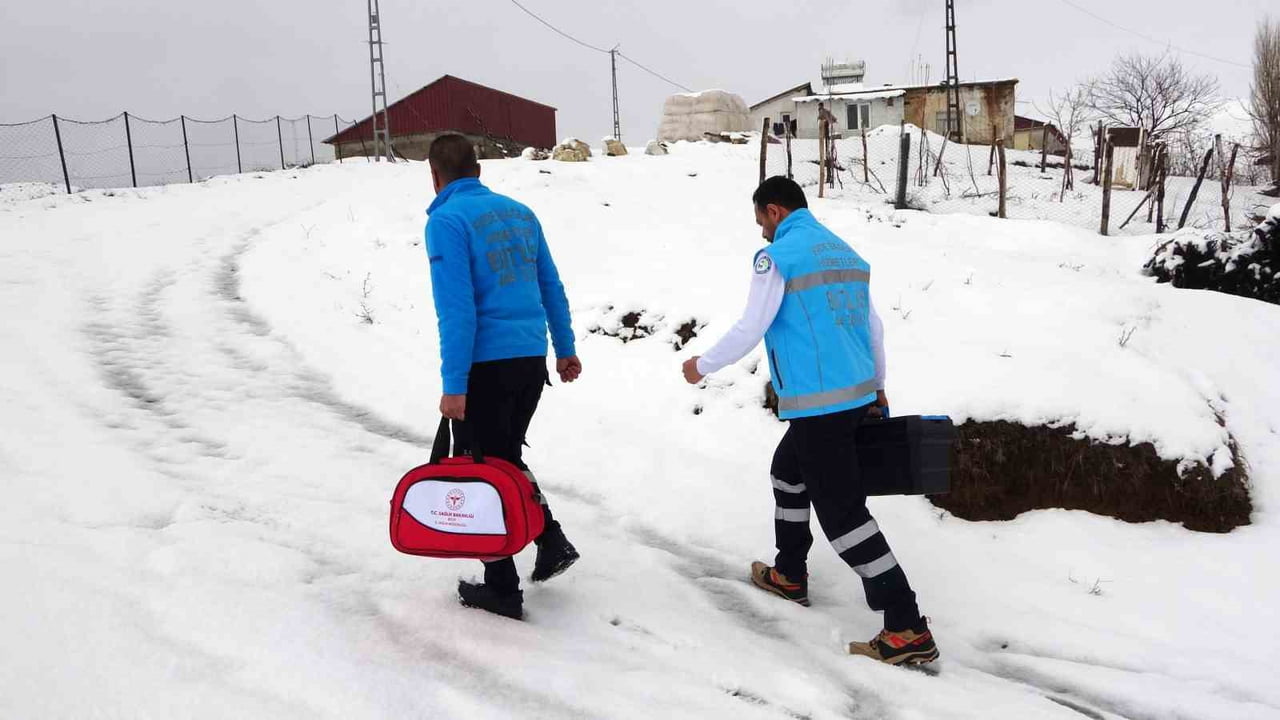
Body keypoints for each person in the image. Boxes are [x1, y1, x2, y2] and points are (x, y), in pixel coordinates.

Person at [681, 176, 938, 666]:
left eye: (761, 221)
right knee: (788, 473)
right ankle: (789, 574)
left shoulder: (778, 257)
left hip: (820, 406)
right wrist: (878, 386)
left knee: (844, 518)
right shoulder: (844, 253)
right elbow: (873, 327)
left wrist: (702, 365)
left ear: (775, 211)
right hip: (852, 395)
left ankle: (906, 626)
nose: (761, 232)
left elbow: (752, 325)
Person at [425, 134, 582, 620]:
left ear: (435, 177)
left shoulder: (446, 221)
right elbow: (550, 286)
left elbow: (457, 310)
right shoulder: (520, 214)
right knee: (504, 457)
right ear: (478, 170)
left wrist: (455, 385)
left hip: (485, 365)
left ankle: (502, 587)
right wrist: (564, 349)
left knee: (477, 469)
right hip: (530, 359)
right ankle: (550, 539)